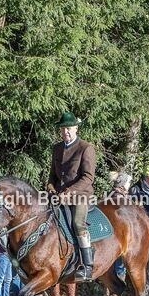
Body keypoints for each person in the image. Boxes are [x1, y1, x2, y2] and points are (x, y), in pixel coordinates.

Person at [46, 111, 97, 281]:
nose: (65, 132)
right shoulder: (57, 148)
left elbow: (88, 177)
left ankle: (87, 266)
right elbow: (52, 176)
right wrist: (51, 188)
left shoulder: (86, 148)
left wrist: (68, 193)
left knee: (77, 223)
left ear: (76, 128)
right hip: (57, 196)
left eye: (68, 128)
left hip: (80, 195)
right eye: (63, 129)